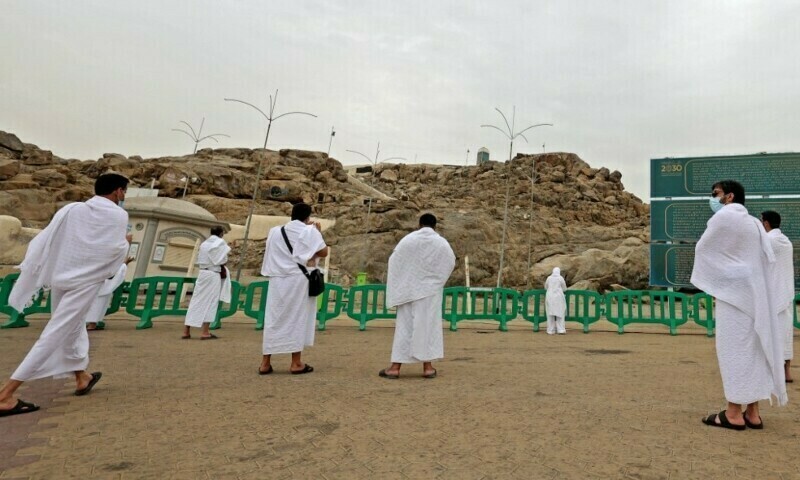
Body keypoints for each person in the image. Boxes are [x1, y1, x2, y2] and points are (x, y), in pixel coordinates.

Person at [0, 173, 130, 418]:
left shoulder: (72, 210)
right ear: (118, 192)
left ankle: (82, 377)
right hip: (85, 281)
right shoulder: (118, 215)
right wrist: (126, 244)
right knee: (56, 331)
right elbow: (114, 250)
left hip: (61, 276)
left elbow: (51, 238)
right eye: (124, 192)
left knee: (72, 326)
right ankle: (6, 394)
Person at [692, 180, 787, 431]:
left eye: (716, 194)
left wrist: (721, 278)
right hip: (756, 296)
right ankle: (753, 413)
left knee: (733, 350)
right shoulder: (754, 223)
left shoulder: (726, 217)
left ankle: (733, 412)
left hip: (735, 296)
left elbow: (703, 250)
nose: (713, 198)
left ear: (730, 196)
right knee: (754, 349)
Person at [379, 213, 455, 380]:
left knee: (404, 328)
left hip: (408, 291)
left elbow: (395, 260)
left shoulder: (408, 240)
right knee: (427, 327)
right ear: (435, 226)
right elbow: (450, 262)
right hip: (429, 294)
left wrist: (402, 283)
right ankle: (427, 368)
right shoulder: (441, 243)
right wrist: (436, 283)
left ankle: (395, 368)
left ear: (419, 224)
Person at [258, 203, 328, 375]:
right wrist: (318, 234)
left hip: (277, 279)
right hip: (297, 280)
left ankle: (265, 363)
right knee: (296, 319)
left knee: (273, 319)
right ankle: (296, 363)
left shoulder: (275, 231)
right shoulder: (309, 231)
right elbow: (323, 252)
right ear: (308, 217)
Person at [761, 210, 795, 383]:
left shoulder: (769, 241)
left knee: (771, 333)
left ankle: (773, 372)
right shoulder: (785, 241)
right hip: (785, 293)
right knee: (786, 334)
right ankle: (786, 371)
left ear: (766, 223)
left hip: (773, 295)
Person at [182, 226, 231, 340]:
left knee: (196, 300)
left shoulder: (204, 244)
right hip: (213, 274)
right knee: (210, 302)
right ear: (221, 233)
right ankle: (205, 332)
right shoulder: (220, 243)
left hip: (202, 273)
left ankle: (186, 331)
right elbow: (222, 260)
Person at [85, 257, 134, 331]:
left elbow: (116, 272)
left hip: (103, 286)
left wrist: (125, 264)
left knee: (98, 307)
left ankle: (93, 324)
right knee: (91, 306)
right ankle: (89, 323)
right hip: (94, 286)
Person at [544, 267, 567, 335]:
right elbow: (564, 288)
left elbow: (546, 287)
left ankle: (550, 330)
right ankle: (561, 329)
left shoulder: (549, 278)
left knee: (550, 314)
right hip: (559, 297)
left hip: (550, 297)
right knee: (560, 313)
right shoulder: (560, 278)